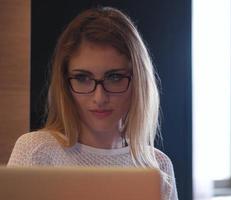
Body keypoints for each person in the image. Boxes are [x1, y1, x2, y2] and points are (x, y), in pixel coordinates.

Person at [7, 6, 178, 200]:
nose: (99, 98)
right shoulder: (36, 151)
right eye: (82, 78)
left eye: (114, 77)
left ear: (139, 82)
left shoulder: (158, 166)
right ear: (65, 83)